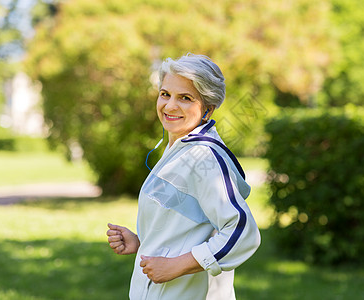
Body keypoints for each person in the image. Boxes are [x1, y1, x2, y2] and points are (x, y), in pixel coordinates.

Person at [106, 53, 261, 300]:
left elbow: (242, 231)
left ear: (208, 108)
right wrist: (143, 241)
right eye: (165, 94)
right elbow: (190, 223)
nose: (169, 106)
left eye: (185, 98)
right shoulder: (178, 148)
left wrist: (177, 265)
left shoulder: (204, 157)